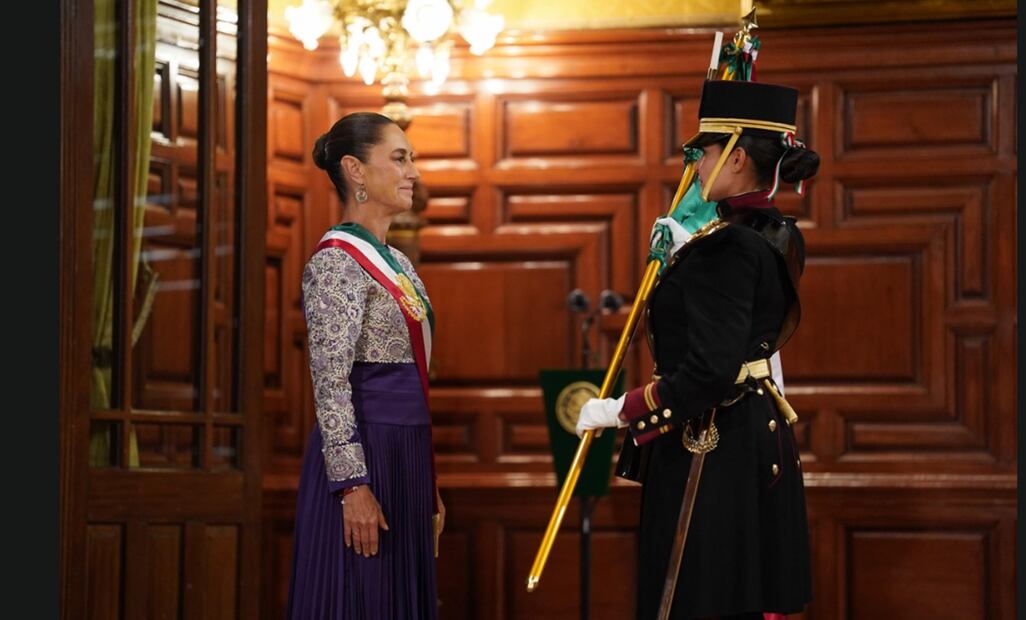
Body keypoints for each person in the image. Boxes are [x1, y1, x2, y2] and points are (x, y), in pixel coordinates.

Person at [576, 79, 817, 619]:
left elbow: (709, 369)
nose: (695, 165)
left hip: (711, 442)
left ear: (735, 154)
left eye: (702, 151)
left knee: (698, 599)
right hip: (751, 434)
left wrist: (624, 408)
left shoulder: (726, 244)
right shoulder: (774, 230)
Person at [287, 111, 444, 619]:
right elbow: (329, 382)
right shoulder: (336, 260)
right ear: (355, 170)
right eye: (399, 158)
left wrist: (430, 481)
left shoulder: (400, 263)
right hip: (364, 460)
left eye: (412, 159)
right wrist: (352, 486)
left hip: (407, 456)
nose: (413, 172)